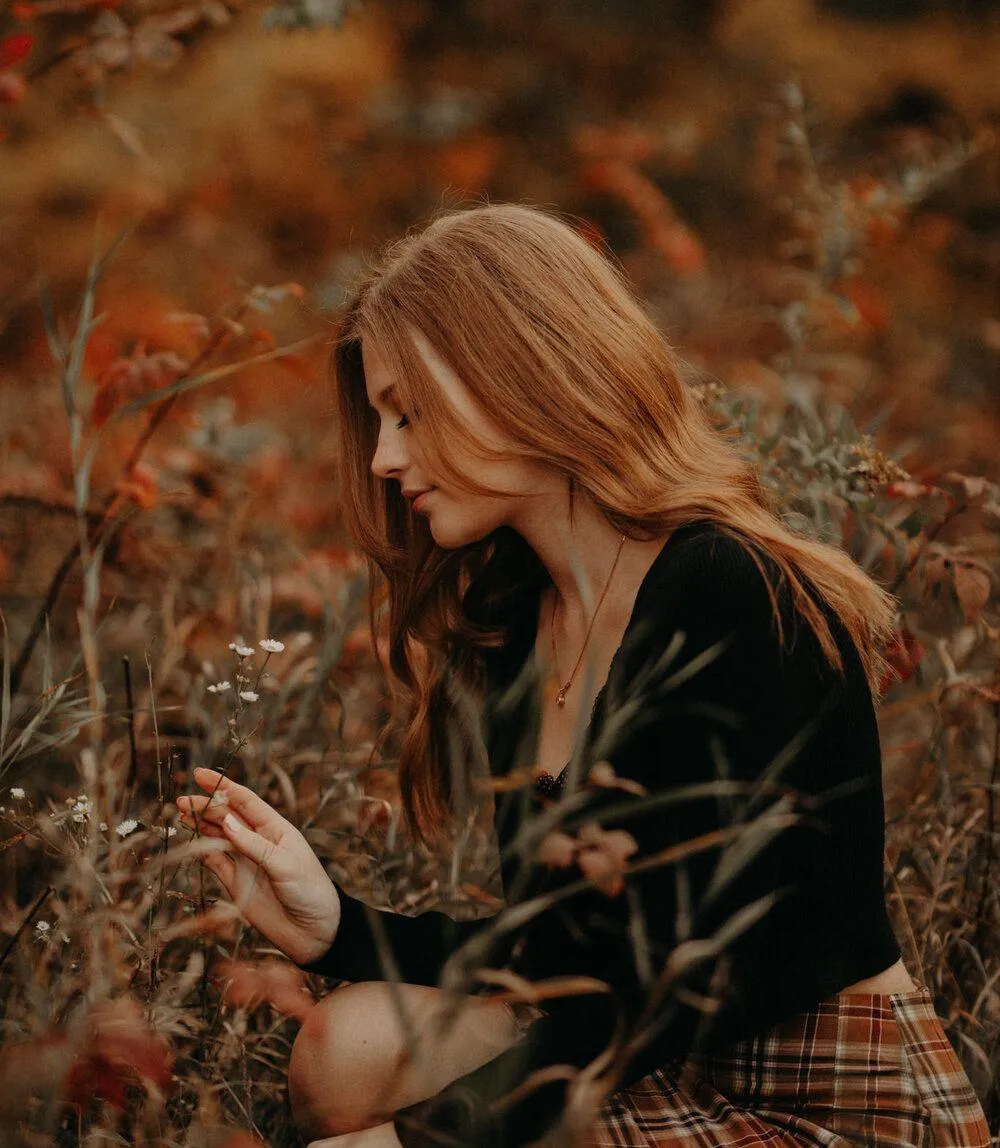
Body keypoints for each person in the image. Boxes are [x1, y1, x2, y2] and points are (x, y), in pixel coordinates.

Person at [178, 203, 993, 1148]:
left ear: (522, 372)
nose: (384, 456)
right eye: (379, 418)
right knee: (348, 1043)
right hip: (658, 1061)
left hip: (832, 1096)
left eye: (409, 411)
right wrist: (343, 931)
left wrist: (427, 1140)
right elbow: (578, 958)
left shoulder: (732, 590)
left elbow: (688, 982)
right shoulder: (523, 628)